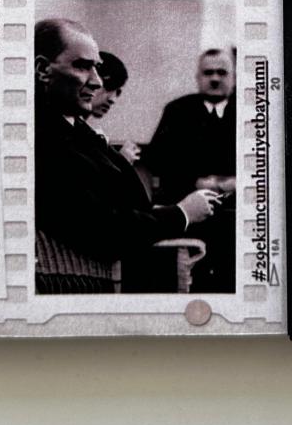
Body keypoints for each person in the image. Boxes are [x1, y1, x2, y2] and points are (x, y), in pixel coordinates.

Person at [33, 18, 220, 293]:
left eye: (96, 68)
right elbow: (107, 231)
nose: (97, 82)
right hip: (80, 286)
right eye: (82, 66)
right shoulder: (45, 138)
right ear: (42, 70)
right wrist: (182, 213)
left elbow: (131, 204)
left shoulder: (75, 130)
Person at [142, 48, 238, 293]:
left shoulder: (250, 111)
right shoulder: (177, 111)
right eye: (208, 73)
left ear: (234, 77)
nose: (214, 78)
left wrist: (237, 182)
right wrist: (196, 182)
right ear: (197, 77)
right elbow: (157, 161)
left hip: (238, 211)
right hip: (189, 209)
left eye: (222, 73)